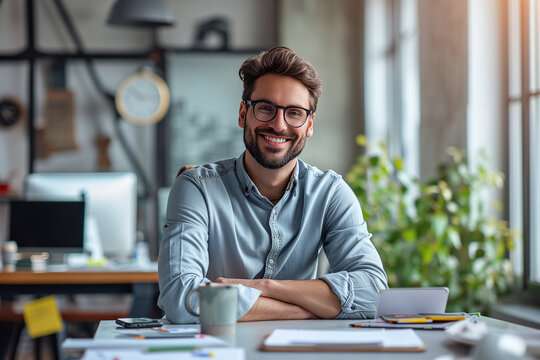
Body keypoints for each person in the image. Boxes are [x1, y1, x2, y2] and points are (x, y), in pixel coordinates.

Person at [158, 46, 387, 323]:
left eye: (294, 113)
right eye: (266, 108)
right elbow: (182, 299)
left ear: (309, 124)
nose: (279, 125)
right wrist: (309, 308)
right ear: (243, 114)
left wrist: (266, 287)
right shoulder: (197, 188)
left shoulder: (330, 193)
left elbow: (372, 292)